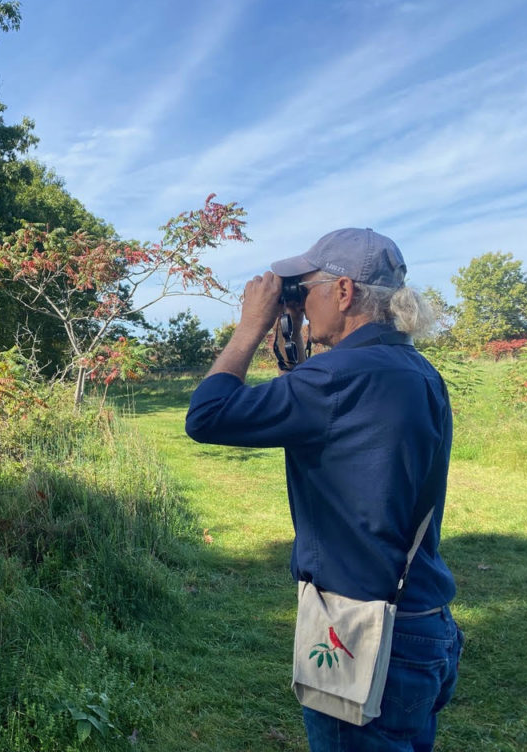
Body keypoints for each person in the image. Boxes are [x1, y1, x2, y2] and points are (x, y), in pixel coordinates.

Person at [185, 228, 463, 751]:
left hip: (359, 632)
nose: (299, 304)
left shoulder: (335, 379)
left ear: (343, 293)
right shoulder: (419, 372)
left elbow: (207, 415)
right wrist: (296, 347)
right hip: (426, 625)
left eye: (303, 289)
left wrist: (250, 328)